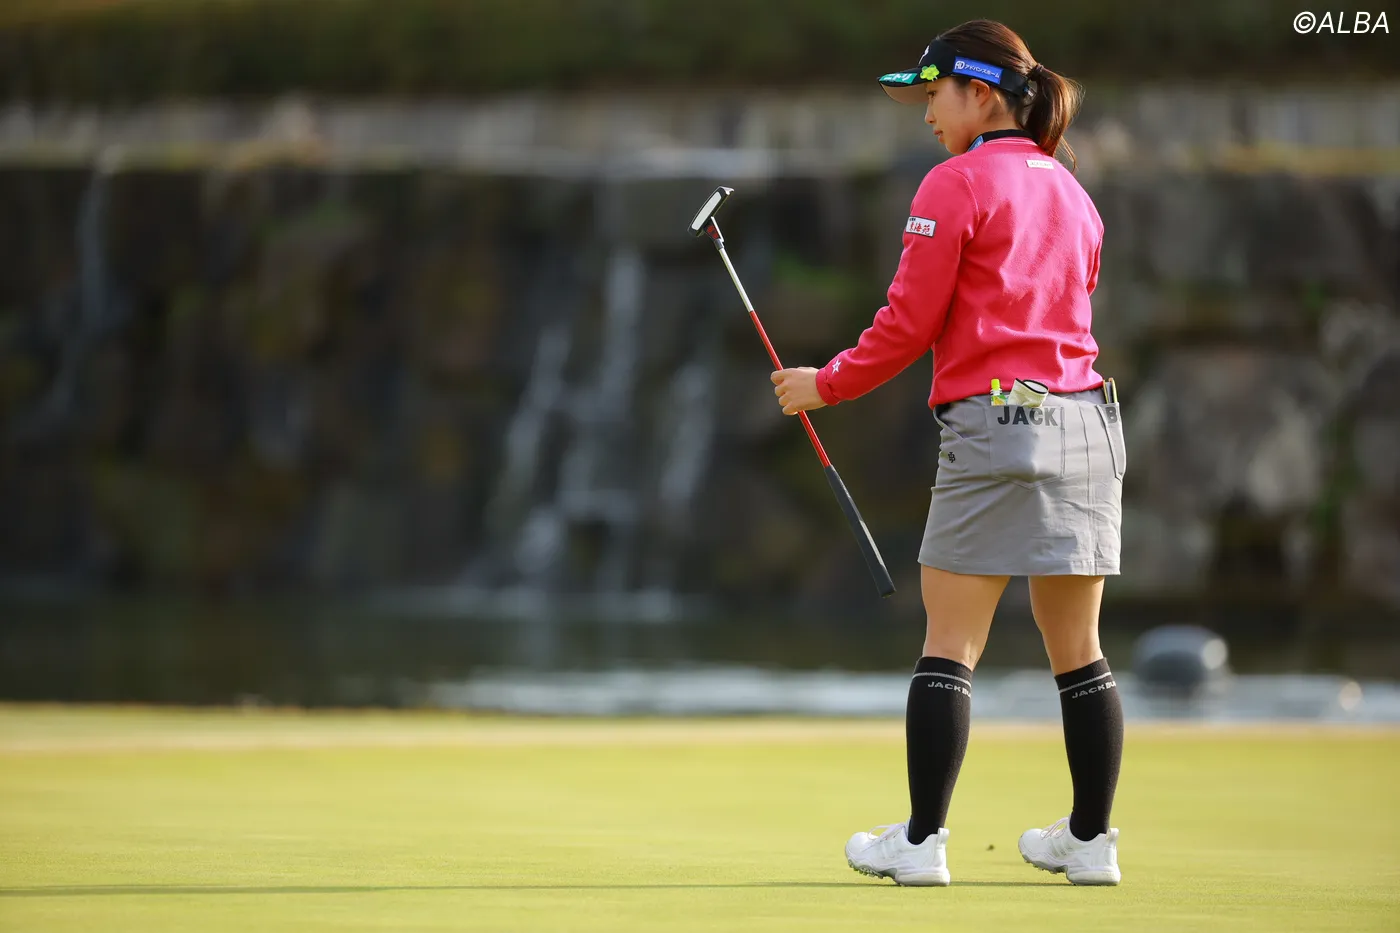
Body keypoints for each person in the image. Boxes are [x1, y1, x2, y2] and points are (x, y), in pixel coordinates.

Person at [770, 19, 1126, 886]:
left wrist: (827, 383)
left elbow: (909, 322)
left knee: (951, 642)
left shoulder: (954, 182)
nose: (928, 112)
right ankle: (1090, 841)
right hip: (1087, 422)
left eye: (935, 95)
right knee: (1079, 647)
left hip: (995, 421)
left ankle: (923, 842)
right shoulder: (1074, 190)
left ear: (980, 92)